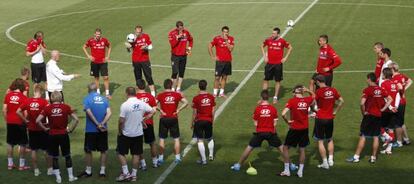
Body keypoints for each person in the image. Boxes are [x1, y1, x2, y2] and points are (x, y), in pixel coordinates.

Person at [230, 90, 283, 171]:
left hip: (260, 132)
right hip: (270, 132)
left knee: (249, 148)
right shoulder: (273, 108)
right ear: (268, 97)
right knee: (281, 148)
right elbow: (275, 122)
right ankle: (291, 165)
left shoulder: (257, 109)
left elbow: (255, 123)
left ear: (261, 98)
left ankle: (238, 165)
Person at [346, 73, 392, 163]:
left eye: (367, 79)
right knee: (376, 137)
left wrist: (364, 113)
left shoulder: (367, 90)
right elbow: (390, 99)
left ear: (369, 79)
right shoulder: (381, 89)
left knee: (363, 136)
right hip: (378, 116)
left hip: (369, 116)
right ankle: (373, 158)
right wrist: (383, 108)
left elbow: (362, 103)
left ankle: (356, 157)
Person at [36, 91, 79, 183]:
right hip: (63, 134)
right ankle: (71, 176)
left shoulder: (47, 108)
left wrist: (45, 129)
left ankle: (58, 178)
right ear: (61, 98)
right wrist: (71, 129)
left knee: (54, 157)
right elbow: (76, 119)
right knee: (67, 156)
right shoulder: (66, 107)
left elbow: (37, 120)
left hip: (52, 135)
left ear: (51, 98)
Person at [116, 87, 155, 182]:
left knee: (120, 153)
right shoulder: (142, 103)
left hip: (126, 133)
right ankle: (134, 175)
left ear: (127, 93)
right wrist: (144, 119)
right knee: (136, 154)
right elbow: (152, 110)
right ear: (135, 93)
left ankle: (126, 173)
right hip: (138, 133)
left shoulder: (125, 105)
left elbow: (121, 121)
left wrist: (119, 131)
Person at [16, 85, 52, 176]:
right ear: (41, 92)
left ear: (34, 92)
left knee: (34, 150)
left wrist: (25, 120)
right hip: (42, 129)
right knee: (46, 150)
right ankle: (49, 170)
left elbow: (18, 111)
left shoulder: (28, 101)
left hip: (31, 129)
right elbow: (49, 114)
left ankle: (36, 170)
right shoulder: (44, 102)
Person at [77, 83, 112, 179]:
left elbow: (89, 112)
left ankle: (88, 171)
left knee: (88, 150)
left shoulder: (87, 99)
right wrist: (102, 123)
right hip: (103, 129)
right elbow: (109, 113)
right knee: (103, 150)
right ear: (96, 89)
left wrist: (97, 124)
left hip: (91, 130)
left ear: (88, 90)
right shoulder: (104, 99)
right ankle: (102, 171)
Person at [280, 85, 315, 178]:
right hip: (304, 128)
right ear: (302, 92)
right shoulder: (307, 100)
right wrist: (308, 90)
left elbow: (283, 114)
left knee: (285, 148)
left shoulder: (292, 101)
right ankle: (300, 171)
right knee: (302, 149)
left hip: (294, 128)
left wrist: (287, 121)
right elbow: (314, 96)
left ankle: (287, 170)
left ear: (294, 93)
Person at [313, 75, 344, 169]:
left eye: (316, 82)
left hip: (320, 118)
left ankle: (325, 162)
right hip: (330, 118)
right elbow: (341, 101)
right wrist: (335, 111)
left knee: (320, 141)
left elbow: (313, 104)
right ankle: (331, 160)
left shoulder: (318, 92)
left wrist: (315, 111)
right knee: (330, 139)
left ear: (318, 82)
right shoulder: (333, 90)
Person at [156, 79, 188, 164]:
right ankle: (177, 158)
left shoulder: (160, 95)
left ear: (164, 86)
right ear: (171, 86)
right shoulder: (176, 94)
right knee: (176, 139)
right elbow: (186, 102)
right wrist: (178, 110)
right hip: (173, 118)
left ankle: (160, 158)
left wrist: (161, 110)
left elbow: (153, 104)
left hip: (163, 118)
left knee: (162, 139)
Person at [3, 79, 29, 170]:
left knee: (10, 143)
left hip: (10, 122)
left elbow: (4, 110)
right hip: (20, 122)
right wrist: (26, 121)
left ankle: (10, 164)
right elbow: (25, 113)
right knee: (22, 144)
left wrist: (7, 120)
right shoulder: (24, 97)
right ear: (22, 87)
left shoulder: (8, 96)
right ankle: (21, 165)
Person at [261, 27, 293, 103]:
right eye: (272, 33)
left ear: (278, 34)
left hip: (278, 64)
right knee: (266, 80)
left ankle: (275, 97)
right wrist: (265, 56)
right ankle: (263, 98)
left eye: (274, 33)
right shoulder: (268, 40)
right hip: (269, 64)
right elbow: (262, 46)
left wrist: (285, 58)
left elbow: (290, 48)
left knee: (277, 81)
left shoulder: (282, 41)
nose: (272, 35)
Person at [125, 25, 156, 97]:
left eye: (139, 32)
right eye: (136, 32)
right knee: (138, 78)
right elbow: (129, 50)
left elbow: (151, 46)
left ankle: (153, 94)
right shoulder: (132, 38)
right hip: (136, 61)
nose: (137, 33)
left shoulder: (146, 36)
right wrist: (127, 47)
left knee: (148, 76)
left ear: (141, 32)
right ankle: (139, 94)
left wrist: (146, 47)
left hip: (145, 60)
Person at [82, 28, 112, 99]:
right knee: (96, 77)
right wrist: (88, 56)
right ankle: (98, 92)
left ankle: (107, 93)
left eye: (99, 34)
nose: (98, 35)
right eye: (97, 34)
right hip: (94, 62)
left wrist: (108, 56)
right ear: (94, 34)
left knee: (106, 77)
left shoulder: (104, 40)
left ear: (100, 34)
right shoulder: (91, 40)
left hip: (103, 62)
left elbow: (110, 46)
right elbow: (84, 47)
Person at [135, 79, 158, 169]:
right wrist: (147, 117)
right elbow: (154, 110)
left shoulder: (135, 97)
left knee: (138, 144)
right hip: (149, 123)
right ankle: (155, 162)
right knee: (152, 143)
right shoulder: (151, 97)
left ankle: (143, 164)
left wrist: (142, 119)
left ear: (137, 86)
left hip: (137, 124)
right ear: (145, 86)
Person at [192, 80, 216, 165]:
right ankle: (211, 155)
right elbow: (213, 111)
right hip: (208, 120)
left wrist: (192, 122)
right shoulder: (211, 97)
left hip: (199, 121)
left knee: (200, 140)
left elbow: (194, 112)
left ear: (199, 86)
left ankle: (204, 160)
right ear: (206, 86)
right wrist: (212, 120)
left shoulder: (196, 98)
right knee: (209, 138)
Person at [380, 68, 402, 154]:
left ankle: (387, 138)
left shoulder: (383, 83)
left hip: (386, 110)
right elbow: (397, 96)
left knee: (379, 127)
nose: (381, 75)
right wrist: (395, 106)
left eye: (382, 73)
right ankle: (389, 149)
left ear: (385, 75)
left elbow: (385, 97)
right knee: (391, 129)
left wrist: (390, 107)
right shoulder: (394, 84)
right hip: (394, 110)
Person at [208, 26, 235, 97]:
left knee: (225, 77)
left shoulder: (231, 39)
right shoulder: (217, 38)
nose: (226, 33)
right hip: (220, 62)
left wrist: (226, 41)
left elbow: (231, 49)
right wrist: (212, 56)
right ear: (222, 32)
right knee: (217, 77)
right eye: (224, 32)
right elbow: (210, 46)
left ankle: (221, 93)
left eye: (227, 32)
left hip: (228, 61)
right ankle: (214, 93)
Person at [168, 21, 193, 92]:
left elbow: (191, 40)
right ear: (177, 28)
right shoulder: (172, 33)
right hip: (175, 56)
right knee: (175, 72)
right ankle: (173, 87)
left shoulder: (186, 32)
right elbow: (172, 45)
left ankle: (178, 87)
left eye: (182, 28)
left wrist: (189, 48)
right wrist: (177, 38)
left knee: (181, 72)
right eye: (180, 29)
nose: (181, 30)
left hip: (183, 55)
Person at [390, 63, 412, 145]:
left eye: (389, 69)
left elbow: (399, 87)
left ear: (392, 69)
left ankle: (399, 141)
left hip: (398, 102)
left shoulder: (395, 78)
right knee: (401, 122)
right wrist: (404, 89)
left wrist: (401, 90)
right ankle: (406, 139)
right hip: (403, 100)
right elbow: (410, 81)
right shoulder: (402, 76)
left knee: (397, 123)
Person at [26, 31, 47, 98]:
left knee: (46, 80)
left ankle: (46, 96)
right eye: (41, 37)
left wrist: (40, 45)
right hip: (35, 64)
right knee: (36, 82)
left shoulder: (42, 42)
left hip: (42, 64)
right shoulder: (31, 43)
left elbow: (44, 53)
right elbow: (27, 54)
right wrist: (36, 51)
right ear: (38, 37)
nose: (43, 38)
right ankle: (35, 96)